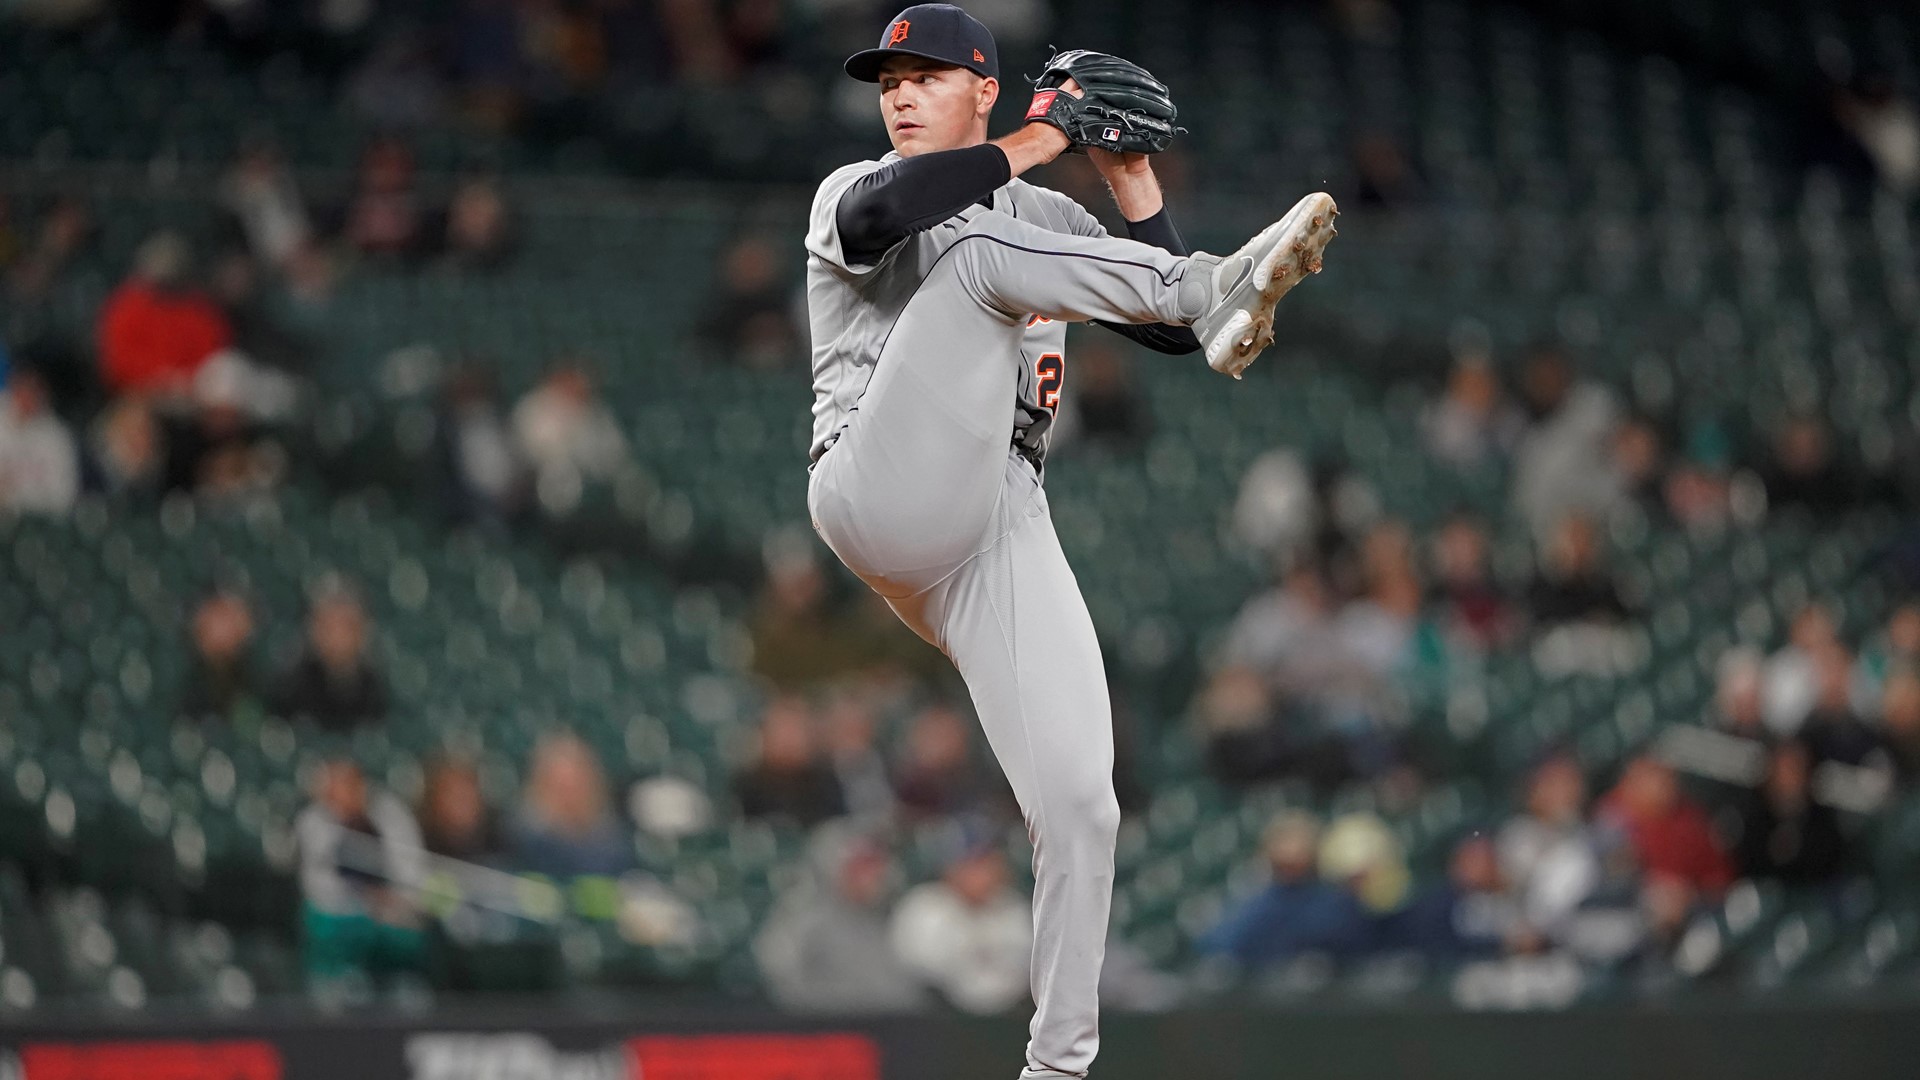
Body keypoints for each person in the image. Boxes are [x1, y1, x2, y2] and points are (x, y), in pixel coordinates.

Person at [803, 10, 1337, 1072]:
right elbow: (903, 208)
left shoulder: (1037, 206)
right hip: (880, 480)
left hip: (1001, 517)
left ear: (984, 88)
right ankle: (1217, 270)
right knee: (976, 265)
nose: (900, 96)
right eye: (887, 82)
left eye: (927, 76)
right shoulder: (857, 189)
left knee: (1084, 806)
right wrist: (1047, 138)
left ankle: (1057, 1067)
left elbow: (1179, 334)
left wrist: (1130, 175)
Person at [755, 825, 930, 1014]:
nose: (875, 876)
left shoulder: (891, 919)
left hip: (889, 1032)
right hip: (826, 1032)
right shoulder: (803, 922)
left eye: (877, 865)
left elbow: (905, 994)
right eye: (863, 866)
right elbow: (785, 985)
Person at [294, 755, 426, 992]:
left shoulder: (390, 814)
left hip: (389, 919)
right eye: (334, 786)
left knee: (409, 933)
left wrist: (390, 900)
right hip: (340, 920)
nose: (342, 794)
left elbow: (411, 874)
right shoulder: (313, 821)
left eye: (348, 784)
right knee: (322, 924)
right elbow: (321, 890)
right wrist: (370, 899)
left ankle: (403, 989)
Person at [1197, 812, 1366, 968]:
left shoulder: (1334, 904)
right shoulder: (1258, 905)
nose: (1291, 854)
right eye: (1284, 844)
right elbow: (1219, 944)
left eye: (1299, 844)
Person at [890, 831, 1033, 1015]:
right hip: (935, 1015)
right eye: (973, 865)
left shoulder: (1015, 908)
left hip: (1011, 1017)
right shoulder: (924, 906)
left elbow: (1027, 970)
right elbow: (919, 970)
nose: (982, 874)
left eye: (988, 864)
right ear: (951, 868)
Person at [96, 232, 232, 400]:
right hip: (138, 394)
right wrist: (156, 379)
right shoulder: (127, 306)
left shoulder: (198, 309)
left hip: (193, 397)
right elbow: (116, 361)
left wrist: (184, 381)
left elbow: (215, 356)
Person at [509, 732, 636, 878]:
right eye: (560, 787)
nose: (569, 796)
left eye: (577, 785)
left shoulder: (613, 841)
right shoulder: (525, 842)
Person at [271, 579, 389, 732]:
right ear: (312, 630)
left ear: (362, 631)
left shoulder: (377, 691)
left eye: (346, 626)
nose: (337, 637)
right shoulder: (289, 690)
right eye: (328, 627)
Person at [1731, 739, 1848, 885]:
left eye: (1794, 770)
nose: (1787, 779)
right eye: (1781, 770)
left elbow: (1830, 869)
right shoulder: (1752, 820)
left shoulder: (1824, 824)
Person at [733, 696, 847, 827]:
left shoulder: (825, 781)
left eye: (795, 730)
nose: (789, 739)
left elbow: (835, 828)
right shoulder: (747, 784)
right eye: (782, 729)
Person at [178, 589, 265, 725]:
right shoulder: (189, 693)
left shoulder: (261, 683)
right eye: (215, 623)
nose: (222, 633)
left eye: (228, 621)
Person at [0, 367, 80, 516]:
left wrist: (15, 498)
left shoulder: (56, 436)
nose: (26, 398)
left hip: (39, 521)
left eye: (33, 391)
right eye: (22, 389)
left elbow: (64, 497)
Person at [418, 755, 505, 864]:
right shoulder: (418, 844)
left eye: (465, 796)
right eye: (452, 795)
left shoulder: (500, 845)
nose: (460, 805)